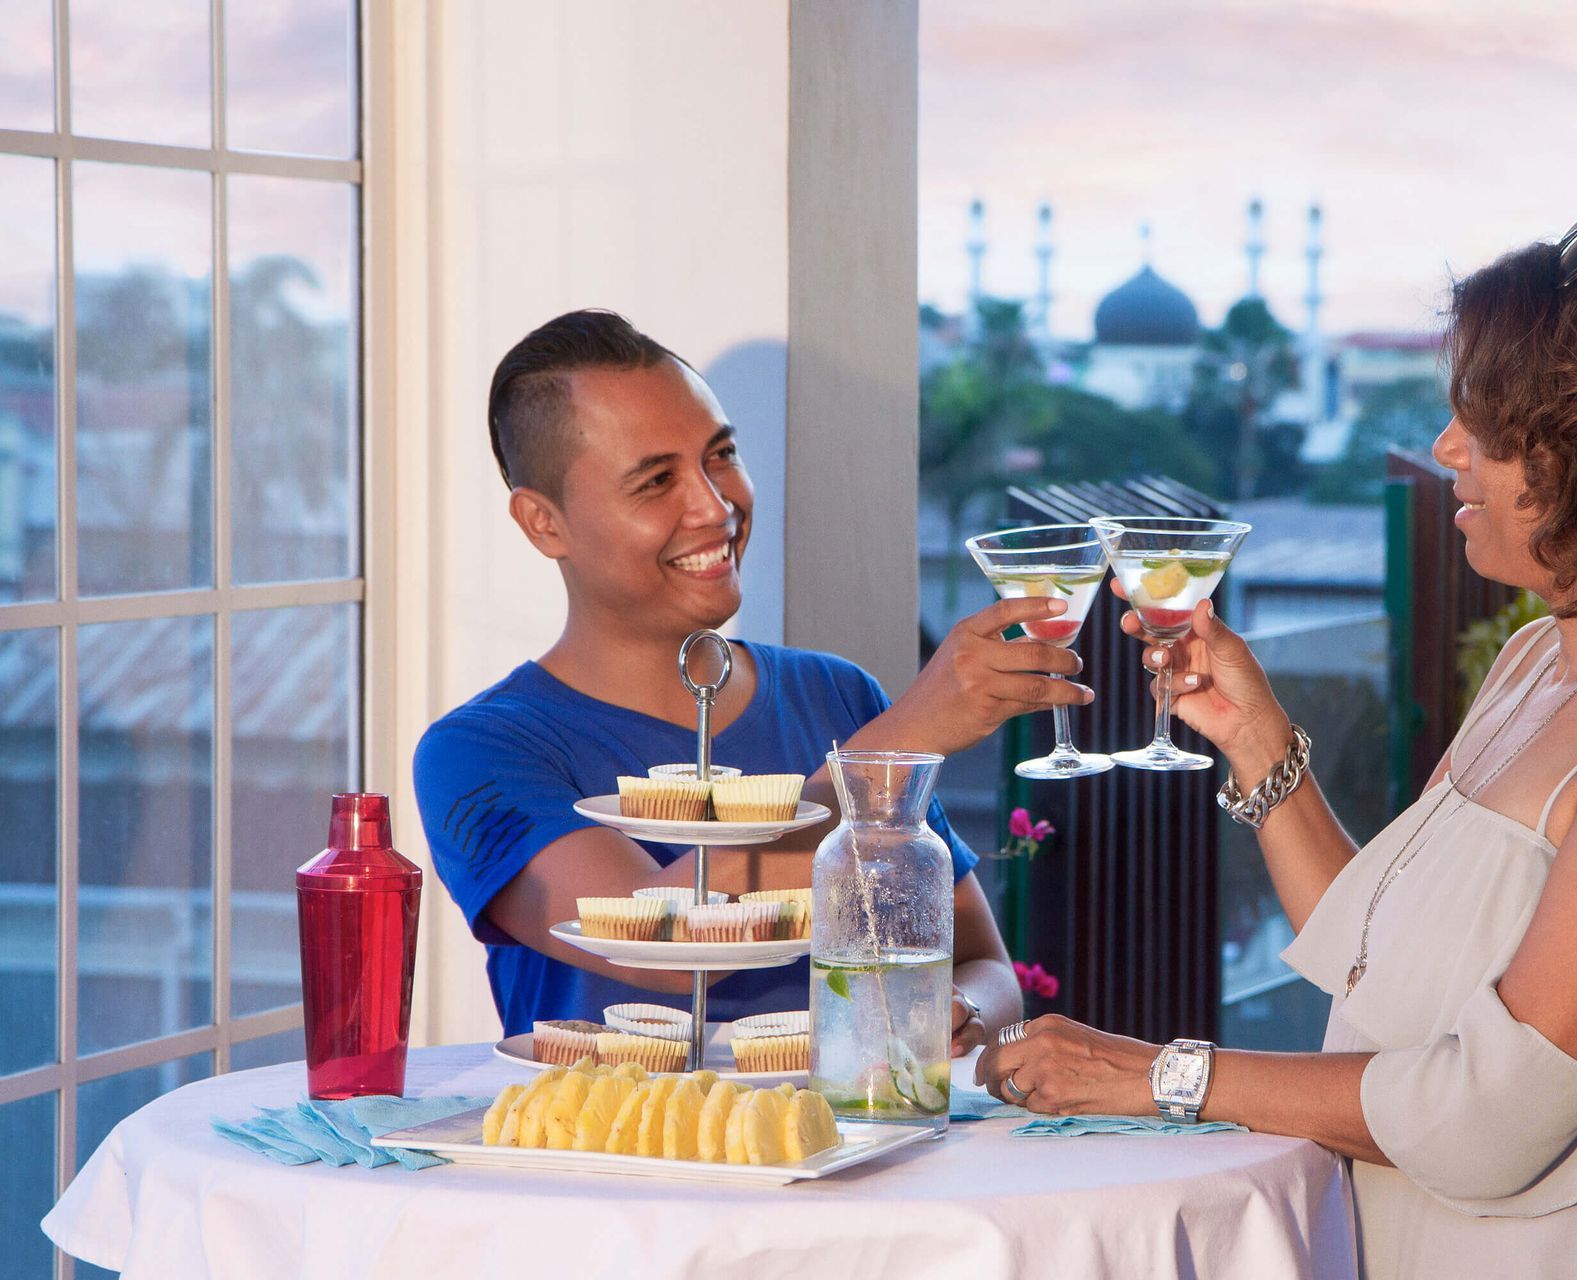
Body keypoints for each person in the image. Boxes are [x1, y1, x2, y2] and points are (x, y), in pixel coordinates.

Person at [978, 201, 1577, 1277]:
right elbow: (1374, 965)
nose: (1445, 448)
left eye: (1489, 422)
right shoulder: (1535, 662)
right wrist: (1257, 741)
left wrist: (1155, 1072)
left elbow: (1488, 1117)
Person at [414, 309, 1082, 1054]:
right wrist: (904, 742)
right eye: (656, 480)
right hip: (623, 1163)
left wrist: (954, 1010)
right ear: (545, 524)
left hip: (857, 1151)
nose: (715, 505)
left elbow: (983, 964)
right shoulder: (480, 752)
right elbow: (655, 937)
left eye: (721, 454)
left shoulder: (836, 695)